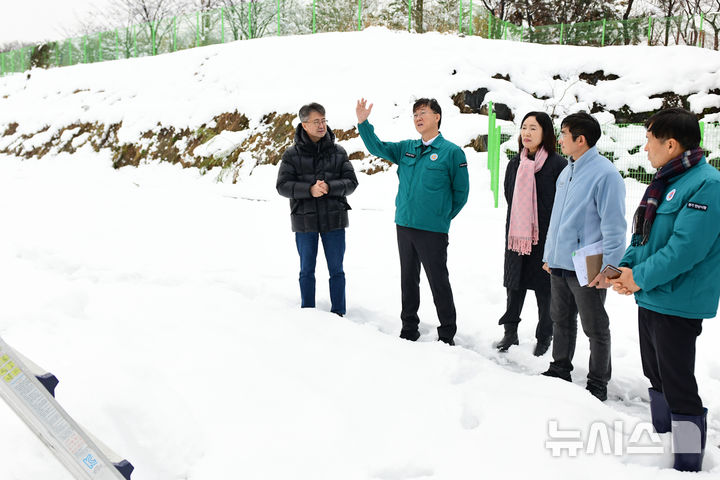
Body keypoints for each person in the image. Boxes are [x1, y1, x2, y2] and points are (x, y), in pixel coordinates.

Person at [609, 108, 720, 472]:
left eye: (649, 139)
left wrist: (638, 277)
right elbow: (643, 236)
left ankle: (687, 462)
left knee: (678, 384)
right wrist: (626, 267)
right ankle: (662, 438)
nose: (644, 148)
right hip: (653, 295)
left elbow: (686, 249)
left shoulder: (707, 184)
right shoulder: (665, 181)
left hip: (679, 300)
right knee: (655, 373)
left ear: (670, 144)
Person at [355, 97, 469, 345]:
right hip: (404, 224)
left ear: (437, 117)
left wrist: (441, 216)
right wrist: (364, 123)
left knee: (438, 280)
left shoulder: (451, 152)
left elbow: (461, 193)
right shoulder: (407, 148)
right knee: (408, 278)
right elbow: (377, 147)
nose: (418, 117)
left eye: (423, 113)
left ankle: (447, 331)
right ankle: (409, 327)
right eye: (415, 114)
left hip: (432, 229)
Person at [541, 111, 626, 402]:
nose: (560, 138)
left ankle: (597, 382)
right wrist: (548, 254)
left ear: (581, 139)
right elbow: (556, 218)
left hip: (587, 265)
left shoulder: (606, 174)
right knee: (560, 319)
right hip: (560, 261)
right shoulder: (567, 170)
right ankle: (559, 367)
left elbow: (614, 226)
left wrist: (611, 269)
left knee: (595, 326)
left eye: (564, 133)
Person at [276, 102, 358, 316]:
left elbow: (351, 182)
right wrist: (308, 190)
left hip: (335, 220)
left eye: (323, 120)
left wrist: (331, 187)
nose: (321, 125)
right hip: (305, 220)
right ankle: (308, 313)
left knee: (337, 271)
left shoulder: (338, 152)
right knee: (306, 271)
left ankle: (339, 313)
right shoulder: (291, 155)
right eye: (316, 121)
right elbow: (282, 186)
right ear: (304, 125)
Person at [495, 112, 566, 356]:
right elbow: (508, 196)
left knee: (545, 289)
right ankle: (510, 332)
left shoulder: (558, 165)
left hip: (546, 237)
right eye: (524, 127)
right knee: (514, 285)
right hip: (517, 234)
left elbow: (562, 203)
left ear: (545, 133)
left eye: (533, 128)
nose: (526, 133)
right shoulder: (515, 164)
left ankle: (545, 336)